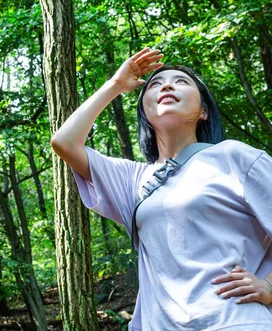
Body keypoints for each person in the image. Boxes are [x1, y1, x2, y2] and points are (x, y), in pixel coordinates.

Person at [51, 47, 272, 330]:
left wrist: (267, 285)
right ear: (145, 112)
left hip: (234, 322)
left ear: (204, 111)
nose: (166, 84)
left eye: (181, 81)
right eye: (155, 84)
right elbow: (64, 142)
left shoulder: (235, 157)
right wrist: (116, 85)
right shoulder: (133, 180)